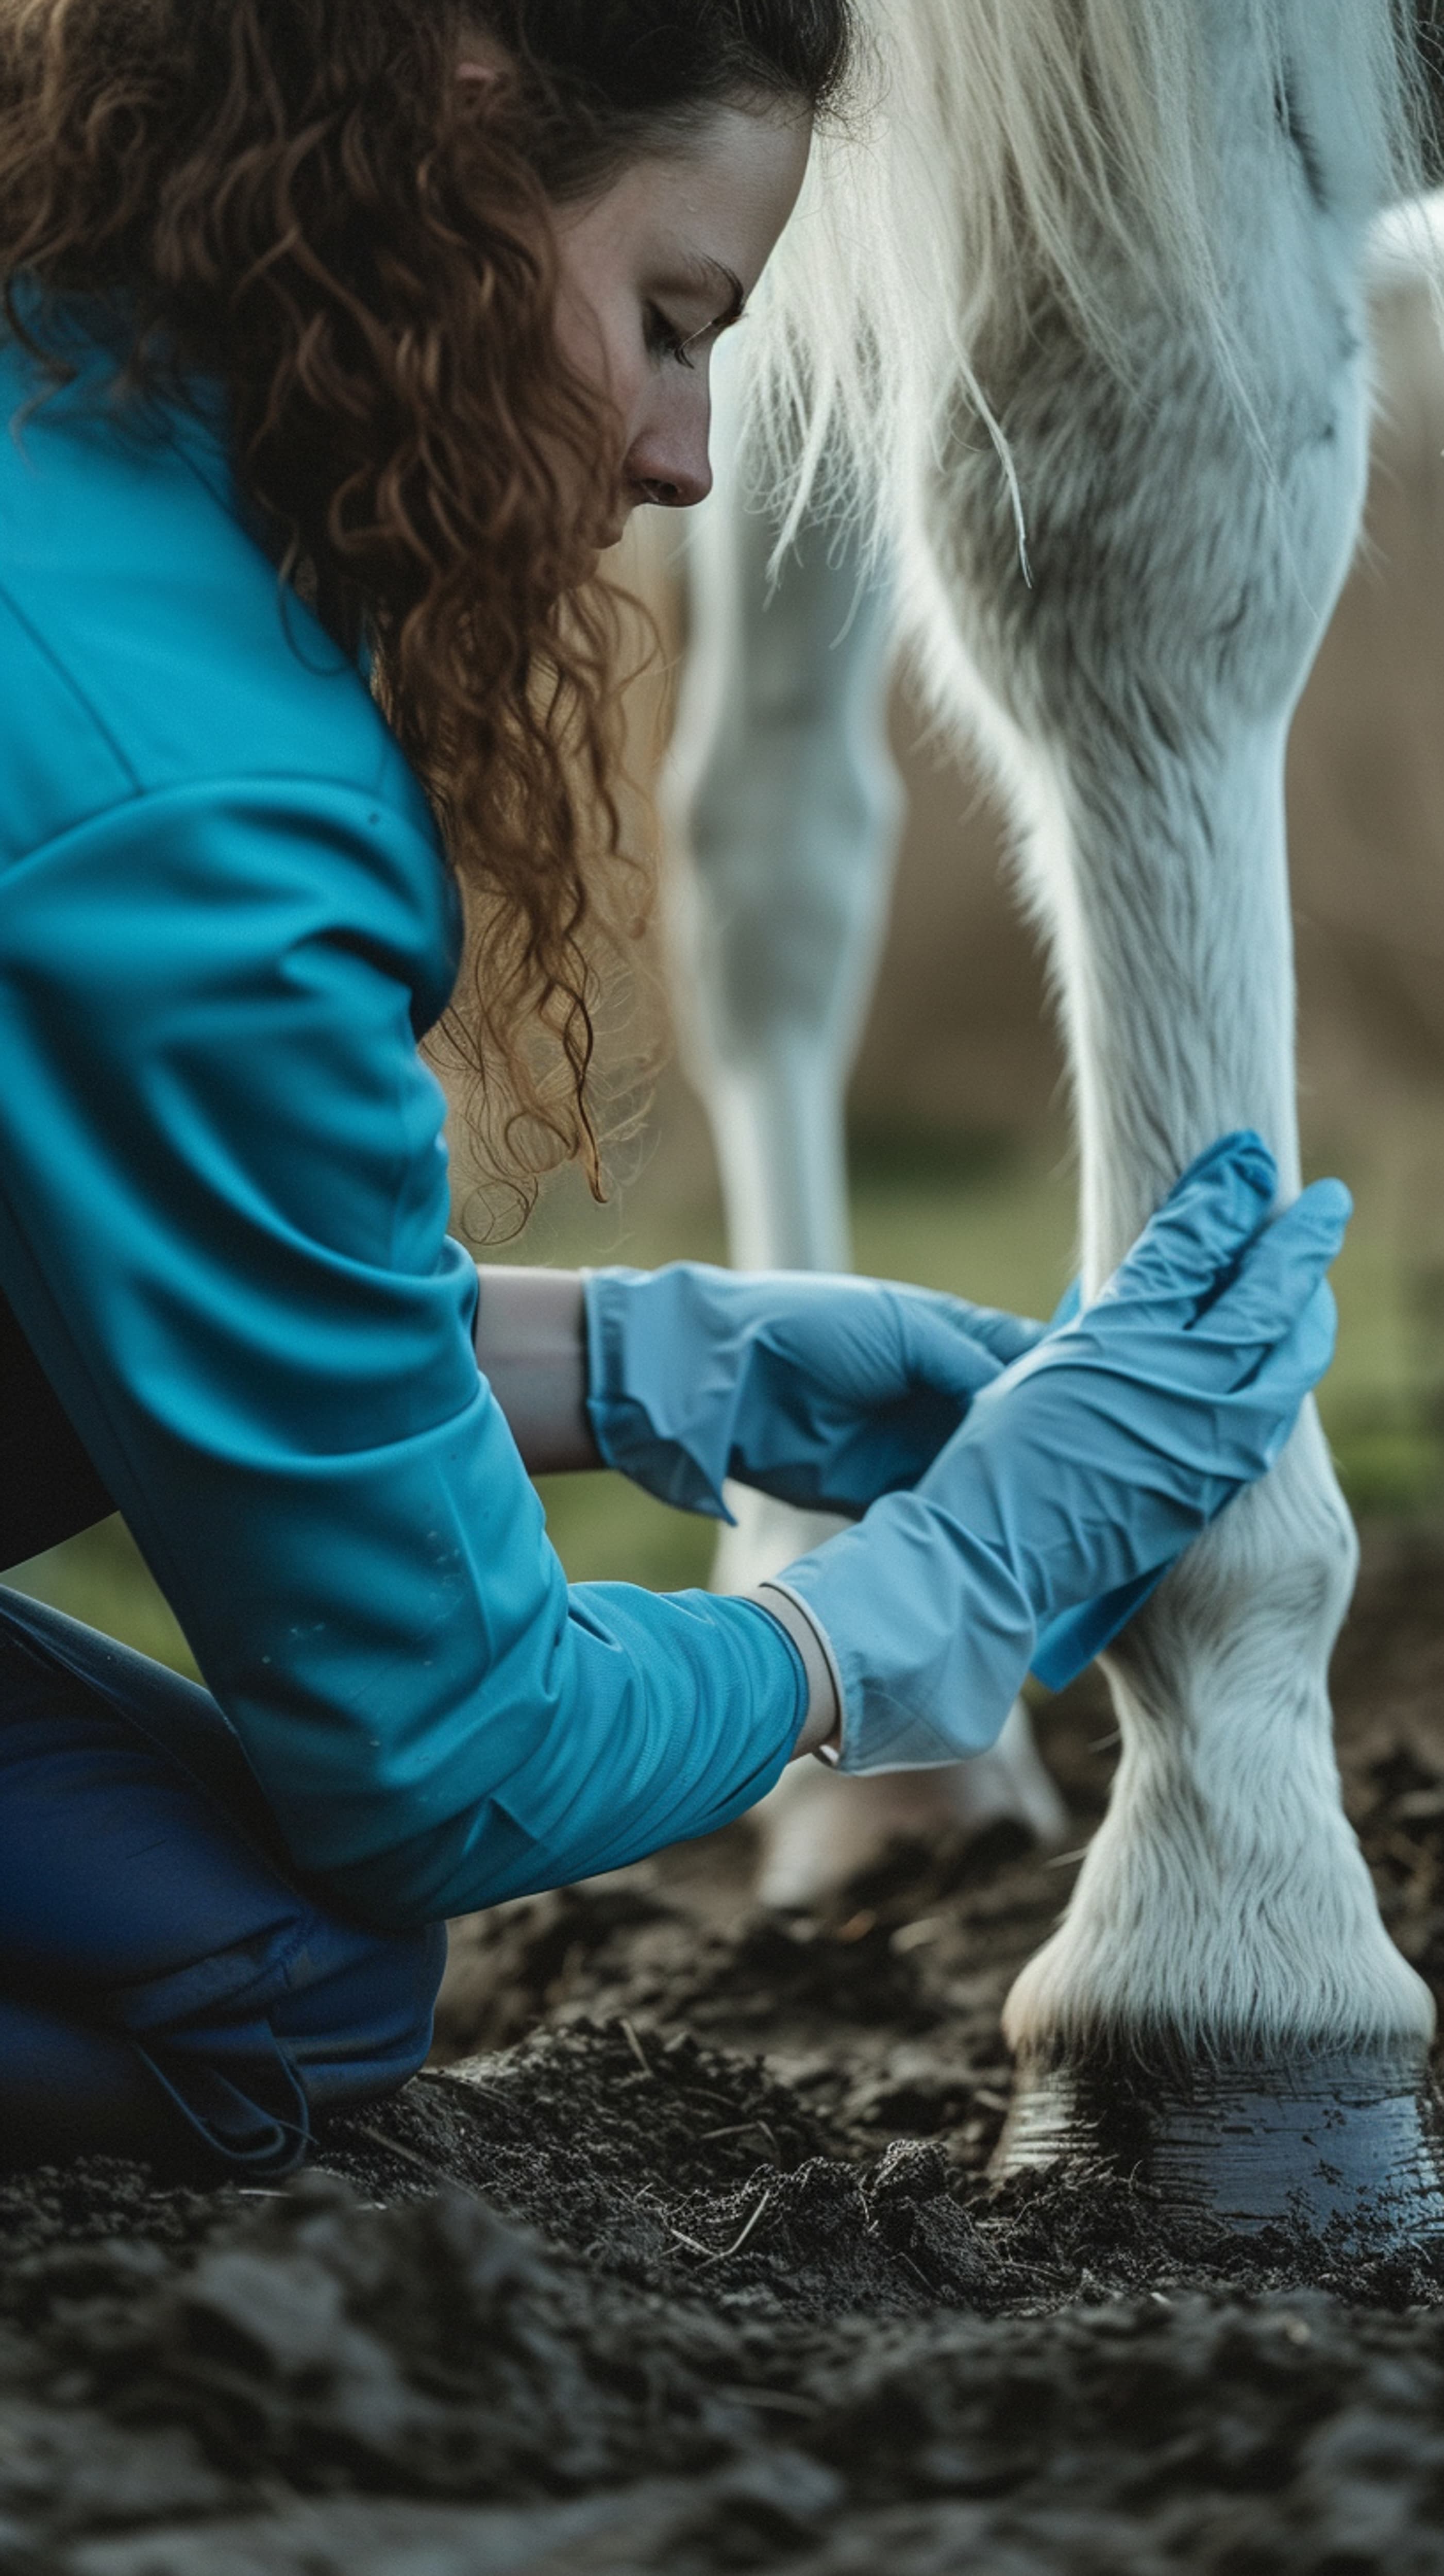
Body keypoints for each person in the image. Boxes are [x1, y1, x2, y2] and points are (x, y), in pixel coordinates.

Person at [0, 0, 1350, 2177]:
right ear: (447, 137)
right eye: (671, 316)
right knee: (295, 1982)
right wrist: (926, 1597)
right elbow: (439, 1750)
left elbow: (88, 1263)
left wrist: (647, 1360)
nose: (686, 460)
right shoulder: (198, 821)